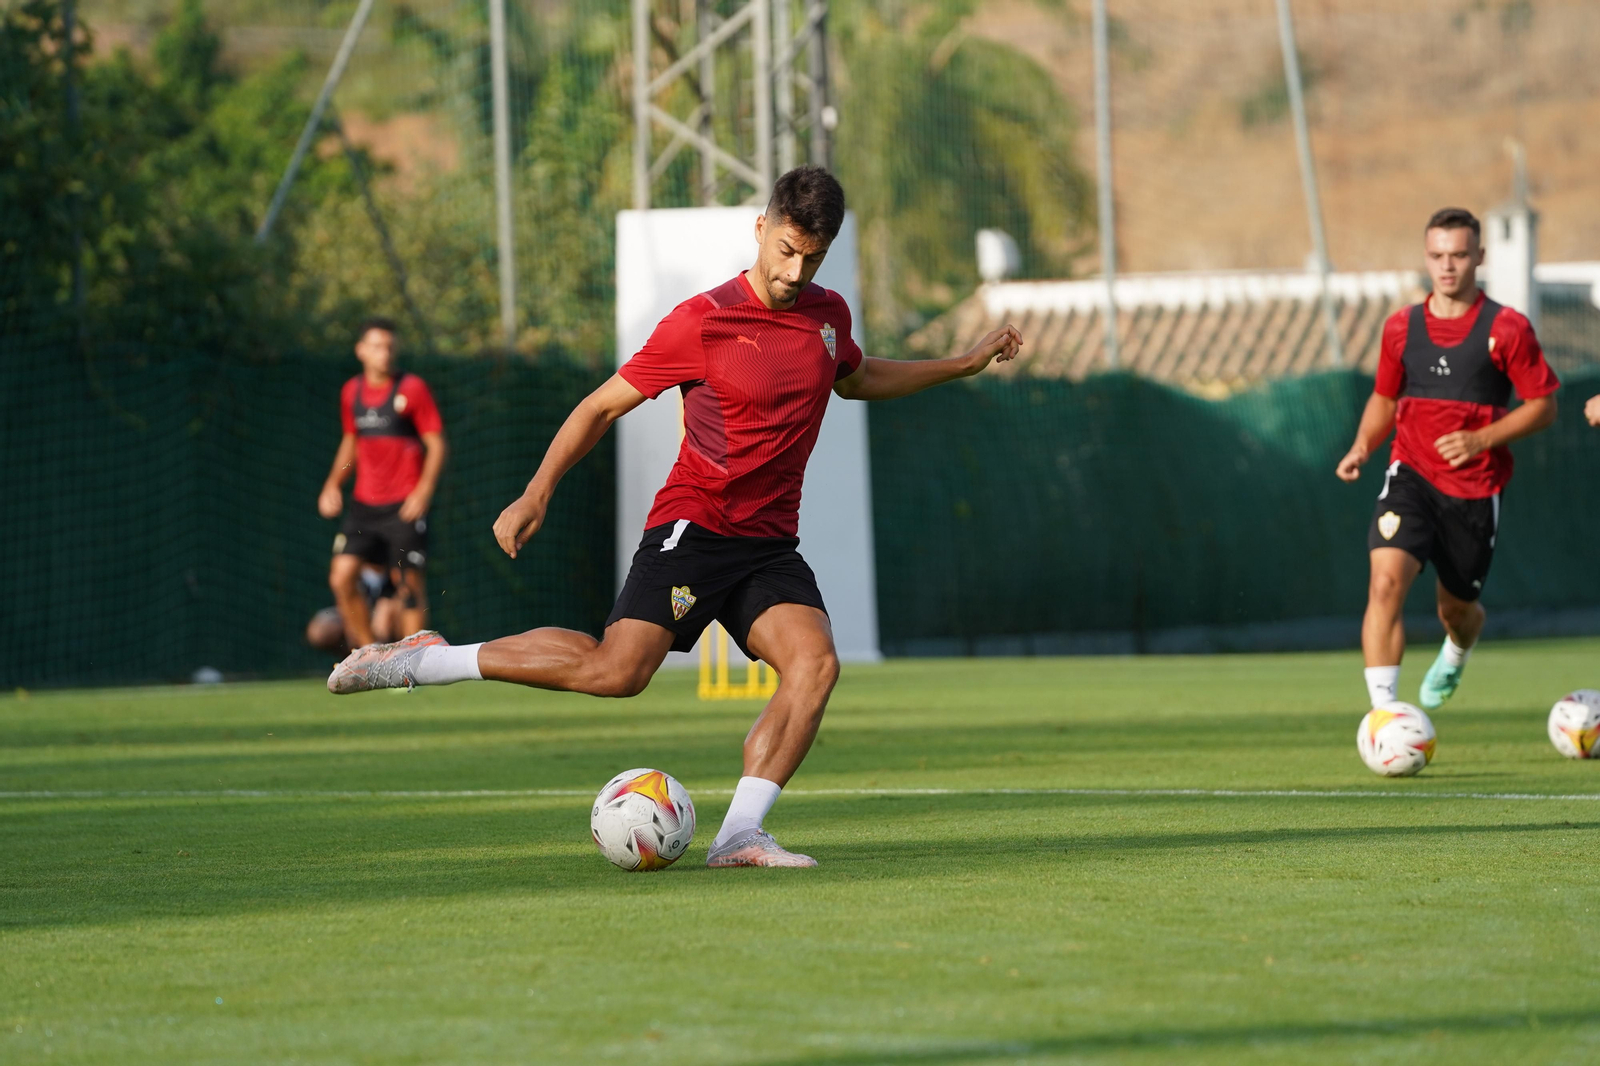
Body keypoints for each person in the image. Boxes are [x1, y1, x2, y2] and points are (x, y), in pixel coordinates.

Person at [327, 166, 1023, 868]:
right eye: (785, 249)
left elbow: (861, 376)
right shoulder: (702, 321)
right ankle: (428, 660)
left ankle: (740, 834)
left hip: (770, 545)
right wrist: (537, 491)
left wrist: (961, 364)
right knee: (617, 672)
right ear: (761, 228)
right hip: (694, 528)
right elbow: (600, 405)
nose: (793, 270)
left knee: (814, 665)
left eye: (812, 257)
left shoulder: (827, 316)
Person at [1336, 207, 1558, 711]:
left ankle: (1458, 648)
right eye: (1437, 256)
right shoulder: (1401, 328)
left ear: (1479, 256)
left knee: (1455, 610)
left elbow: (1543, 407)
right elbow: (1385, 399)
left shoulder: (1507, 328)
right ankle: (1384, 716)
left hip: (1474, 490)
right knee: (1385, 580)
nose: (1448, 266)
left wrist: (1481, 440)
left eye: (1459, 255)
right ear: (1426, 258)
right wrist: (1362, 446)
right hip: (1410, 472)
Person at [317, 317, 447, 648]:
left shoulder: (412, 389)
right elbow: (351, 447)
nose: (384, 353)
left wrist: (424, 490)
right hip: (364, 507)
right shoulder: (352, 392)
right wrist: (334, 483)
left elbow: (436, 444)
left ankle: (415, 665)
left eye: (390, 347)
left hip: (403, 506)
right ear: (360, 351)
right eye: (376, 346)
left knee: (407, 585)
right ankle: (368, 657)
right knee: (341, 576)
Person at [306, 566, 407, 655]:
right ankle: (352, 659)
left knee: (386, 625)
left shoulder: (394, 566)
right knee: (318, 632)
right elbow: (343, 597)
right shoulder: (351, 563)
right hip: (352, 616)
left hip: (382, 614)